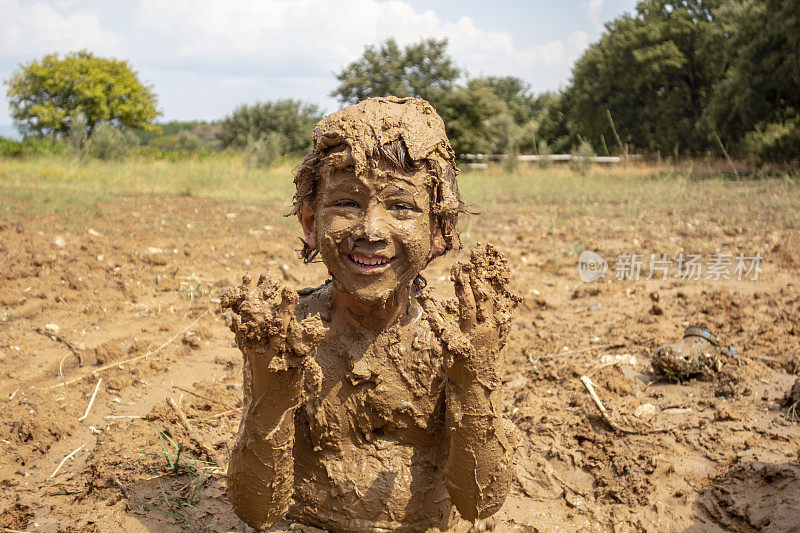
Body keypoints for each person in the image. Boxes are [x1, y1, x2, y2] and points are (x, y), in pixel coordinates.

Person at [221, 96, 520, 532]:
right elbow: (257, 512)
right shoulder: (288, 339)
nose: (372, 231)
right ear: (310, 221)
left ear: (439, 231)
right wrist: (272, 394)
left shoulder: (453, 341)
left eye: (402, 207)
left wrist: (474, 382)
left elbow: (480, 505)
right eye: (347, 204)